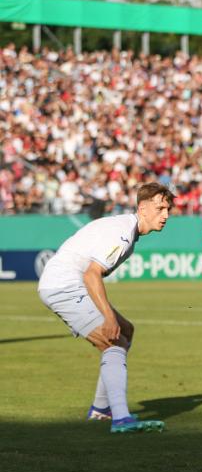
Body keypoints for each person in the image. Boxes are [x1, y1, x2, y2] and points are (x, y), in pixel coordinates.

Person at [37, 183, 173, 433]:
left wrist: (114, 319)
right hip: (64, 285)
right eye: (160, 208)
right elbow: (91, 275)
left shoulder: (128, 232)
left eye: (168, 209)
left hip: (69, 282)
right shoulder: (123, 234)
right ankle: (121, 419)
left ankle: (101, 411)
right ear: (142, 208)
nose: (165, 215)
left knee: (125, 331)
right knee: (113, 341)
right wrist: (108, 317)